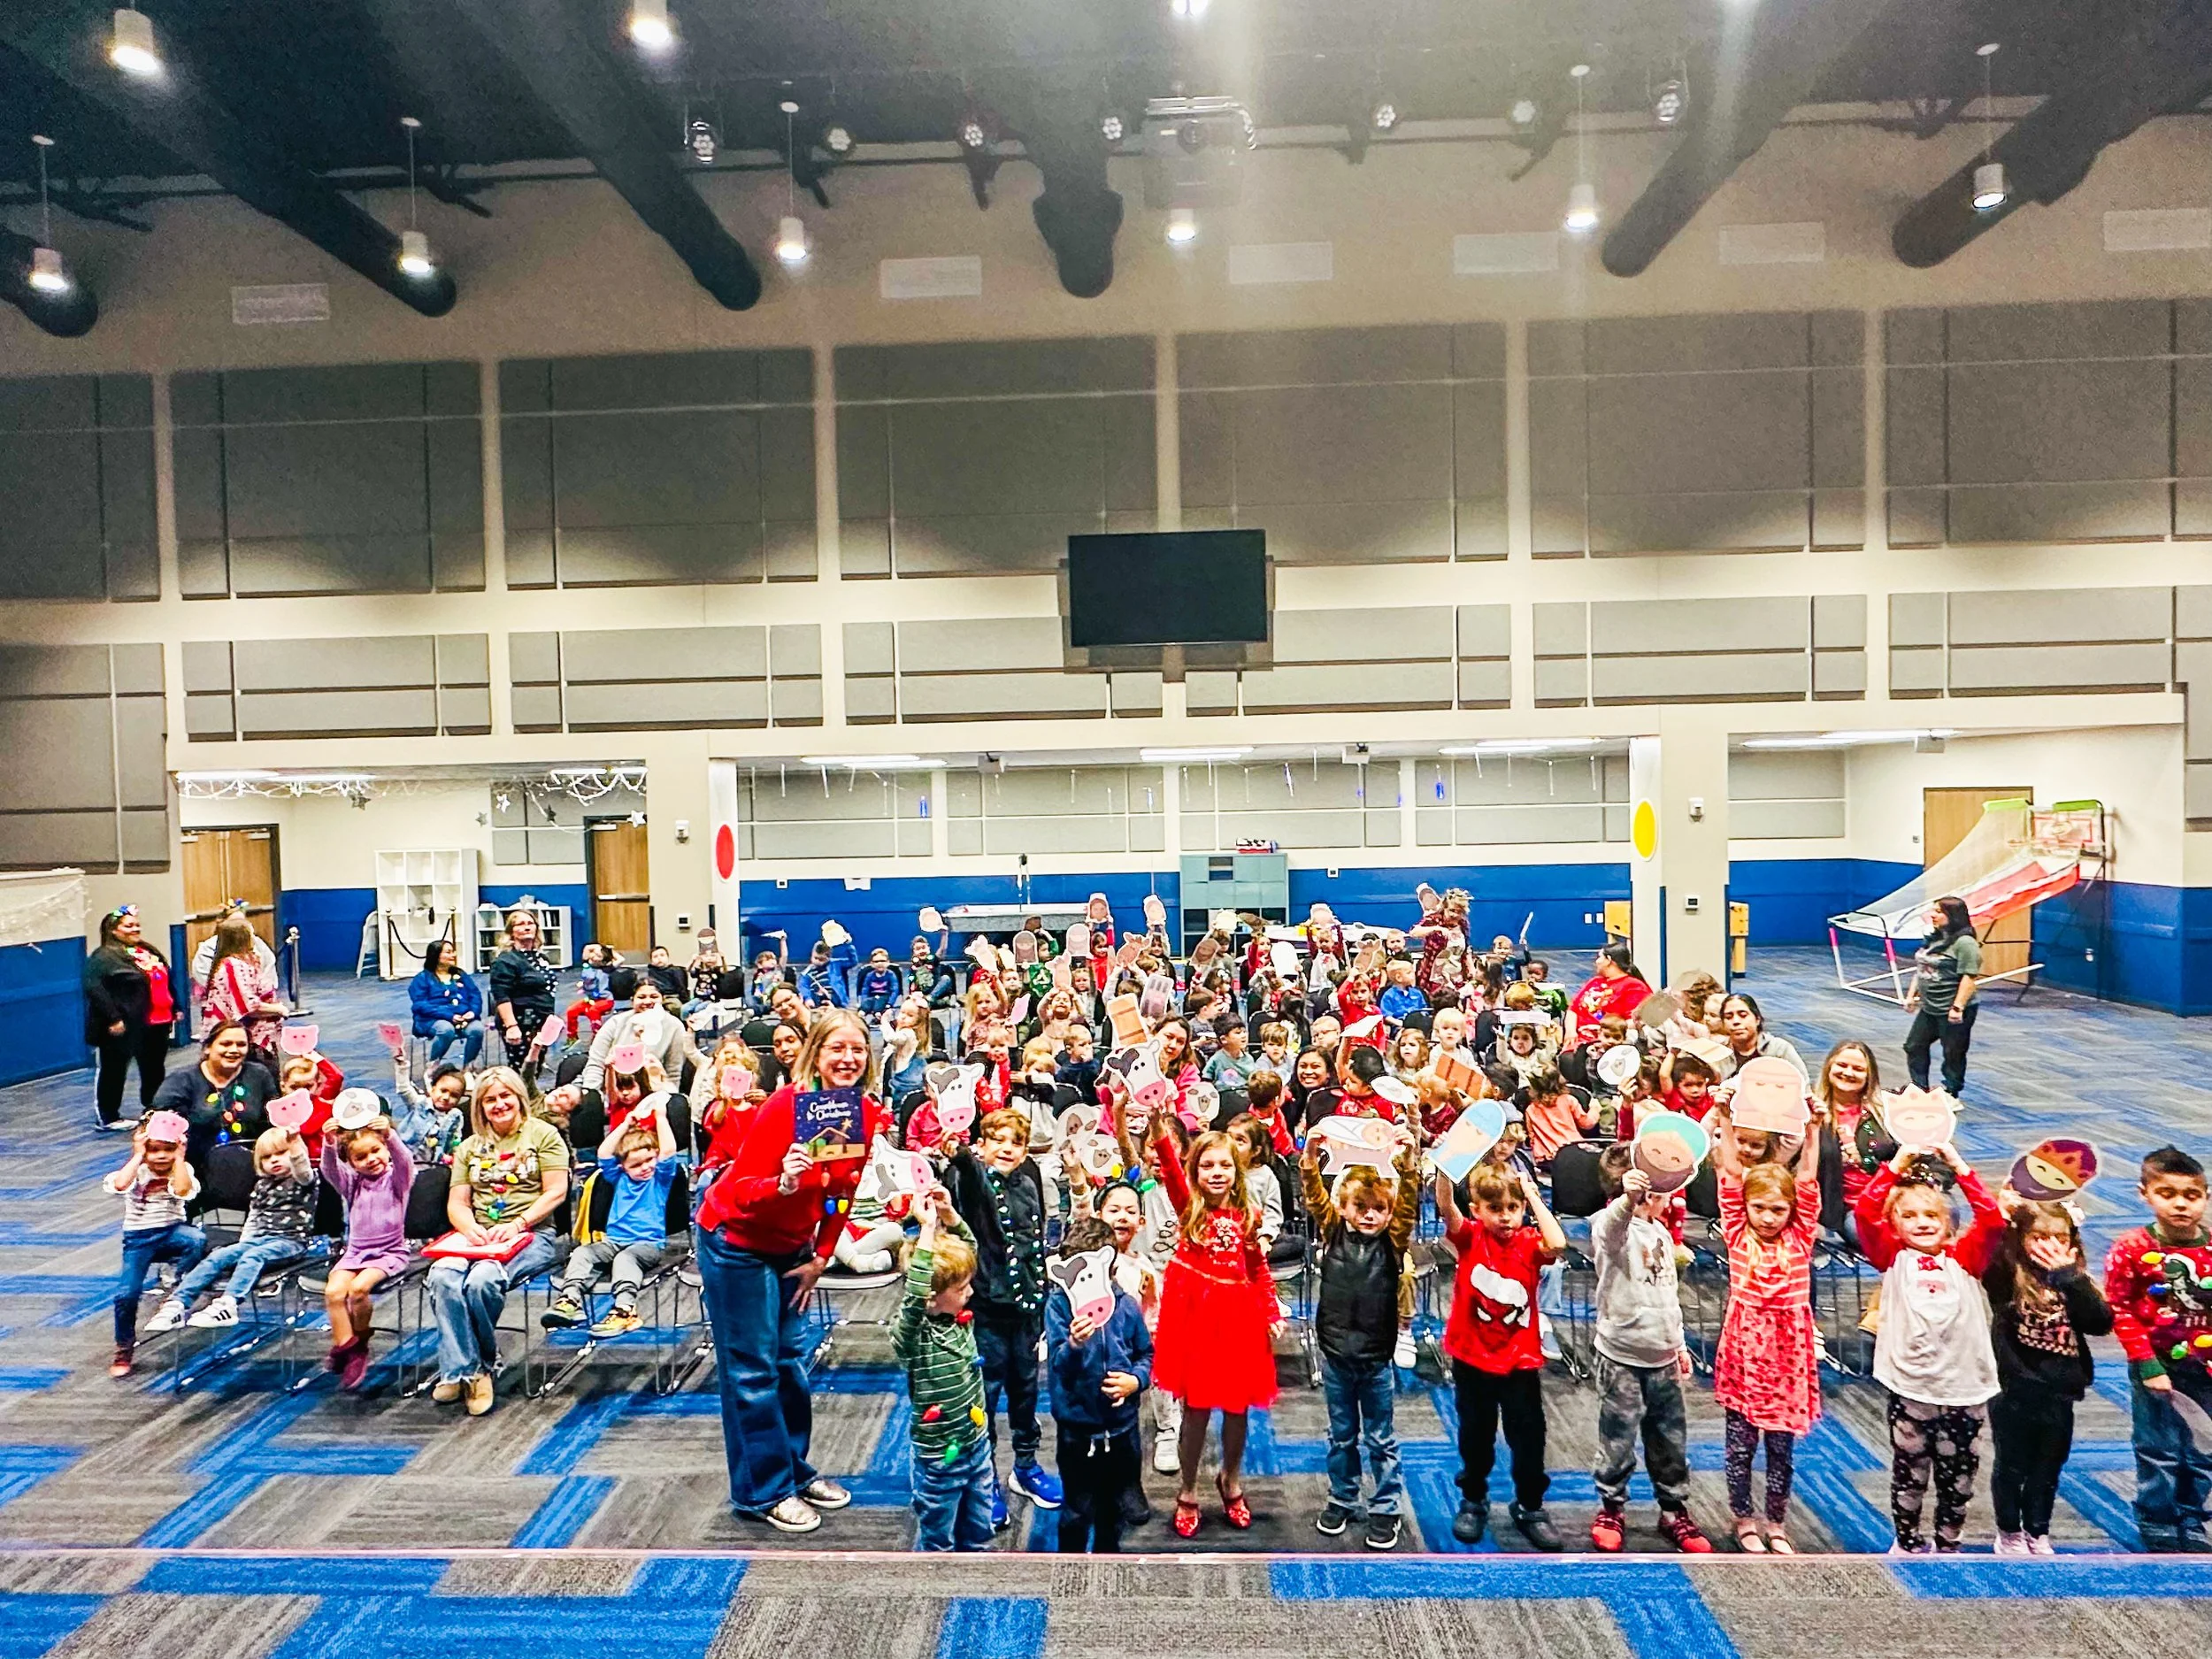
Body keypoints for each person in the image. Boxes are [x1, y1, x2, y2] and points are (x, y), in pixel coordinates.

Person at [692, 1009, 888, 1533]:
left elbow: (839, 1195)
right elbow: (738, 1193)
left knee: (789, 1365)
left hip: (793, 1248)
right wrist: (783, 1182)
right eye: (836, 1049)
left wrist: (821, 1255)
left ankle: (792, 1471)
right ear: (815, 1055)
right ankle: (762, 1491)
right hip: (738, 1243)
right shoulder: (783, 1108)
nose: (847, 1059)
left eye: (857, 1049)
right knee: (752, 1371)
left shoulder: (862, 1114)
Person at [1855, 1141, 2004, 1553]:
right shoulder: (1892, 1256)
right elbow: (1865, 1213)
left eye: (1931, 1215)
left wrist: (1958, 1164)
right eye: (1909, 1216)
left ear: (1948, 1222)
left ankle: (1949, 1543)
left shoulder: (1966, 1258)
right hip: (1910, 1387)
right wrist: (1896, 1166)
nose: (1921, 1223)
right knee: (1910, 1471)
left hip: (1964, 1389)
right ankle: (1906, 1541)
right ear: (1896, 1225)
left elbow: (1992, 1221)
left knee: (1958, 1477)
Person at [1145, 1112, 1279, 1538]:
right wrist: (1155, 1124)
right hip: (1196, 1321)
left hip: (1238, 1318)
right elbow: (1168, 1165)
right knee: (1197, 1410)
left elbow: (1257, 1269)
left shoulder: (1249, 1216)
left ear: (1236, 1169)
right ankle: (1187, 1489)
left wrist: (1271, 1312)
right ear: (1195, 1171)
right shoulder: (1189, 1206)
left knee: (1238, 1408)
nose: (1216, 1173)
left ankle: (1231, 1479)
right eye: (1207, 1165)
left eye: (1224, 1165)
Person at [1434, 1158, 1565, 1548]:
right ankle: (1473, 1499)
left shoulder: (1528, 1243)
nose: (1506, 1218)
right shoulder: (1471, 1237)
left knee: (1528, 1436)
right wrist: (1446, 1166)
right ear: (1477, 1210)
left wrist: (1533, 1197)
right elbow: (1445, 1206)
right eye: (1495, 1209)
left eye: (1512, 1209)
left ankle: (1530, 1505)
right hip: (1472, 1357)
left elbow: (1557, 1244)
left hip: (1519, 1360)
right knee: (1476, 1434)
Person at [1709, 1104, 1823, 1552]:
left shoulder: (1799, 1237)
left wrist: (1812, 1130)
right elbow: (1730, 1172)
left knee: (1781, 1449)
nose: (1769, 1217)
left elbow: (1809, 1179)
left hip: (1788, 1354)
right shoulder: (1738, 1233)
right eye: (1760, 1208)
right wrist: (1724, 1118)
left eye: (1778, 1209)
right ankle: (1743, 1517)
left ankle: (1776, 1521)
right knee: (1740, 1446)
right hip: (1745, 1350)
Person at [1588, 1145, 1711, 1553]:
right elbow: (1612, 1229)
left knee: (1670, 1440)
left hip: (1661, 1356)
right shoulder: (1611, 1227)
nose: (1665, 1199)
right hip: (1621, 1356)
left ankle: (1673, 1509)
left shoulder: (1659, 1231)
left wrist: (1678, 1345)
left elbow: (1667, 1296)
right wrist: (1628, 1199)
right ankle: (1612, 1506)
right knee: (1617, 1440)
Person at [941, 1107, 1061, 1525]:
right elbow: (970, 1176)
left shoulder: (1029, 1183)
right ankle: (984, 1474)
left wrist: (1043, 1297)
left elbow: (1037, 1241)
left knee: (1026, 1391)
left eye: (1016, 1142)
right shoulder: (972, 1181)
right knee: (986, 1396)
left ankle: (1025, 1466)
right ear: (983, 1144)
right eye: (998, 1140)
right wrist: (959, 1155)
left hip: (1027, 1310)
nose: (1007, 1149)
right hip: (988, 1310)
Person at [1302, 1134, 1419, 1550]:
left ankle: (1386, 1506)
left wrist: (1409, 1163)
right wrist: (1311, 1158)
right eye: (1361, 1207)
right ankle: (1343, 1497)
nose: (1371, 1216)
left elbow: (1407, 1202)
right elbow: (1314, 1194)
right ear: (1344, 1208)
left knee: (1381, 1438)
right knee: (1341, 1435)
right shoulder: (1333, 1233)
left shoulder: (1392, 1244)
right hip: (1335, 1354)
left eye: (1379, 1209)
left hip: (1374, 1359)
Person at [430, 1068, 569, 1416]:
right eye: (490, 1099)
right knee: (443, 1276)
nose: (499, 1104)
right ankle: (471, 1368)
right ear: (480, 1106)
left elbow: (557, 1192)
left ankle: (467, 1369)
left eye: (505, 1096)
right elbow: (457, 1203)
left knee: (481, 1281)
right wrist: (471, 1229)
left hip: (532, 1233)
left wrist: (518, 1224)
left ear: (519, 1097)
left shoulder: (544, 1134)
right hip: (476, 1234)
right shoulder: (470, 1147)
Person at [1985, 1197, 2113, 1555]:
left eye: (2059, 1237)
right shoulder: (2008, 1276)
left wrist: (2070, 1276)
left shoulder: (2075, 1281)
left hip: (2059, 1393)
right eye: (2038, 1237)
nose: (2049, 1245)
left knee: (2047, 1468)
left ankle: (2037, 1530)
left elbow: (2101, 1322)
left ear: (2072, 1242)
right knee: (2011, 1467)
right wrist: (2004, 1215)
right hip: (2014, 1390)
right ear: (2021, 1239)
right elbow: (1990, 1256)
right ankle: (2009, 1530)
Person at [2105, 1145, 2212, 1552]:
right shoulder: (2131, 1248)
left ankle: (2194, 1517)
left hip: (2205, 1369)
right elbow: (2119, 1307)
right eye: (2167, 1194)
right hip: (2156, 1365)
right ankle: (2158, 1519)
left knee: (2203, 1448)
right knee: (2158, 1447)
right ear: (2144, 1194)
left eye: (2191, 1195)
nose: (2181, 1204)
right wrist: (2147, 1363)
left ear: (2205, 1197)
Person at [1045, 1216, 1154, 1554]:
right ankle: (1070, 1568)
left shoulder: (1126, 1306)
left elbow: (1146, 1354)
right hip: (1077, 1429)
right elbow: (1058, 1367)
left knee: (1113, 1507)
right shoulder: (1059, 1307)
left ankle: (1109, 1564)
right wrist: (1075, 1346)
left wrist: (1135, 1381)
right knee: (1077, 1508)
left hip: (1122, 1429)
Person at [145, 1124, 318, 1335]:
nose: (274, 1160)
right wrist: (241, 1245)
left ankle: (228, 1304)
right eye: (267, 1157)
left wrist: (295, 1145)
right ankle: (177, 1304)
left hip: (290, 1242)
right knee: (219, 1256)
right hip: (259, 1240)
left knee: (253, 1257)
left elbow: (303, 1168)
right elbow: (254, 1217)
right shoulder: (262, 1185)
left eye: (281, 1153)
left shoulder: (304, 1182)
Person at [895, 1183, 991, 1551]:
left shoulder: (959, 1318)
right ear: (933, 1298)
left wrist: (950, 1217)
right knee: (938, 1529)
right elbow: (916, 1291)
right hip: (939, 1455)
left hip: (976, 1443)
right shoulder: (913, 1335)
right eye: (962, 1287)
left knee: (979, 1524)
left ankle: (977, 1558)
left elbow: (971, 1252)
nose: (970, 1292)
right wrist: (926, 1233)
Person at [543, 1095, 680, 1337]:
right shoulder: (618, 1178)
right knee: (584, 1252)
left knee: (625, 1259)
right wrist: (626, 1124)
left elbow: (668, 1151)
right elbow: (605, 1152)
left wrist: (660, 1118)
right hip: (613, 1242)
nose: (646, 1167)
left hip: (646, 1245)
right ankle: (570, 1300)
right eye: (637, 1164)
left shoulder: (659, 1179)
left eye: (650, 1160)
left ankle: (625, 1311)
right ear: (623, 1168)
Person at [104, 1112, 205, 1377]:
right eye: (154, 1150)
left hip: (172, 1233)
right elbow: (119, 1184)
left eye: (168, 1150)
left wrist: (181, 1158)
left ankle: (175, 1279)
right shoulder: (138, 1170)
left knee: (197, 1239)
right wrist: (137, 1156)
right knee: (125, 1295)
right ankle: (124, 1348)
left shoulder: (181, 1168)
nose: (161, 1156)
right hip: (138, 1240)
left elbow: (183, 1191)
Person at [319, 1114, 415, 1391]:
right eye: (361, 1157)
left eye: (376, 1150)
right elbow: (330, 1171)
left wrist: (391, 1136)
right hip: (356, 1252)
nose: (371, 1159)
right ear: (352, 1163)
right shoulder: (352, 1184)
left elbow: (406, 1161)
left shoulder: (397, 1181)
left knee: (358, 1290)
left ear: (385, 1149)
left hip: (389, 1253)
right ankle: (349, 1348)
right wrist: (328, 1143)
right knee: (334, 1293)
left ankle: (356, 1342)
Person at [148, 1019, 279, 1192]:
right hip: (195, 1168)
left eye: (241, 1045)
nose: (234, 1050)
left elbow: (274, 1120)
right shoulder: (182, 1080)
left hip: (254, 1166)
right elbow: (156, 1123)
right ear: (207, 1048)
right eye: (226, 1044)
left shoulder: (259, 1074)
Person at [83, 905, 173, 1132]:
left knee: (153, 1067)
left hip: (155, 1022)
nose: (136, 929)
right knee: (114, 1069)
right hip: (123, 1025)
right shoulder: (103, 957)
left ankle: (153, 1107)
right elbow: (95, 989)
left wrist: (177, 1005)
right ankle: (108, 1115)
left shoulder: (146, 950)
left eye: (137, 924)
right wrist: (113, 1017)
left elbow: (163, 977)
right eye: (129, 925)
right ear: (114, 930)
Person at [1905, 895, 1982, 1096]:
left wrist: (1958, 1007)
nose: (1933, 916)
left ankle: (1951, 1092)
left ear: (1953, 915)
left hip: (1952, 1009)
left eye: (1939, 912)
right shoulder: (1935, 938)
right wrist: (1912, 995)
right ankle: (1920, 1089)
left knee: (1953, 1052)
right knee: (1914, 1046)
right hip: (1930, 1007)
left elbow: (1969, 977)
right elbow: (1922, 968)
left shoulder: (1965, 943)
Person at [200, 915, 287, 1061]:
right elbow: (247, 1006)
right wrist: (279, 1010)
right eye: (251, 934)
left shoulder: (245, 962)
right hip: (245, 1038)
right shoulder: (232, 966)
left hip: (256, 1036)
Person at [488, 910, 560, 1069]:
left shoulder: (541, 958)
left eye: (530, 923)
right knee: (522, 1068)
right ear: (511, 932)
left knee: (536, 1065)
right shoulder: (506, 960)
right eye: (520, 924)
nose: (527, 927)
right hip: (520, 1022)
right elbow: (501, 995)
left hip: (542, 1020)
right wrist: (511, 1026)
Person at [408, 939, 483, 1069]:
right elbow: (420, 1005)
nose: (453, 955)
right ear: (436, 955)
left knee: (477, 1029)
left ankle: (468, 1068)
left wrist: (473, 1012)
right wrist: (449, 1016)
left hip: (463, 1018)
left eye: (453, 952)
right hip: (431, 1020)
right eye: (448, 952)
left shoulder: (461, 975)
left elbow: (475, 995)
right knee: (446, 1030)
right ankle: (433, 1067)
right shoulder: (422, 979)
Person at [1568, 943, 1651, 1046]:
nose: (1596, 962)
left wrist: (1604, 1029)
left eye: (1599, 957)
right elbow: (1573, 1009)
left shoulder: (1634, 987)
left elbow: (1635, 1022)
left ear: (1608, 960)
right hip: (1578, 1038)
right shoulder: (1595, 981)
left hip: (1604, 1041)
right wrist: (1570, 1032)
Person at [1717, 993, 1804, 1078]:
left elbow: (1802, 1084)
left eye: (1743, 1015)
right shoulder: (1717, 1052)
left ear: (1757, 1019)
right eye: (1728, 1017)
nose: (1736, 1021)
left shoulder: (1780, 1049)